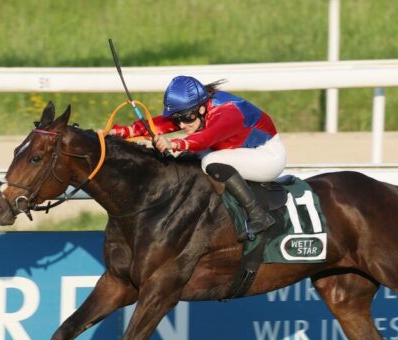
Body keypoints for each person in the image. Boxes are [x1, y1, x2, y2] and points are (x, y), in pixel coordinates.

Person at [109, 75, 287, 239]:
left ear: (201, 108)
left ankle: (258, 215)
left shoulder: (229, 113)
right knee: (184, 157)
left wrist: (174, 143)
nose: (181, 124)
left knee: (210, 161)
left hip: (267, 156)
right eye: (177, 118)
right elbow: (161, 125)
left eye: (186, 118)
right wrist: (122, 132)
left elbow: (206, 137)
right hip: (235, 150)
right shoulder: (198, 109)